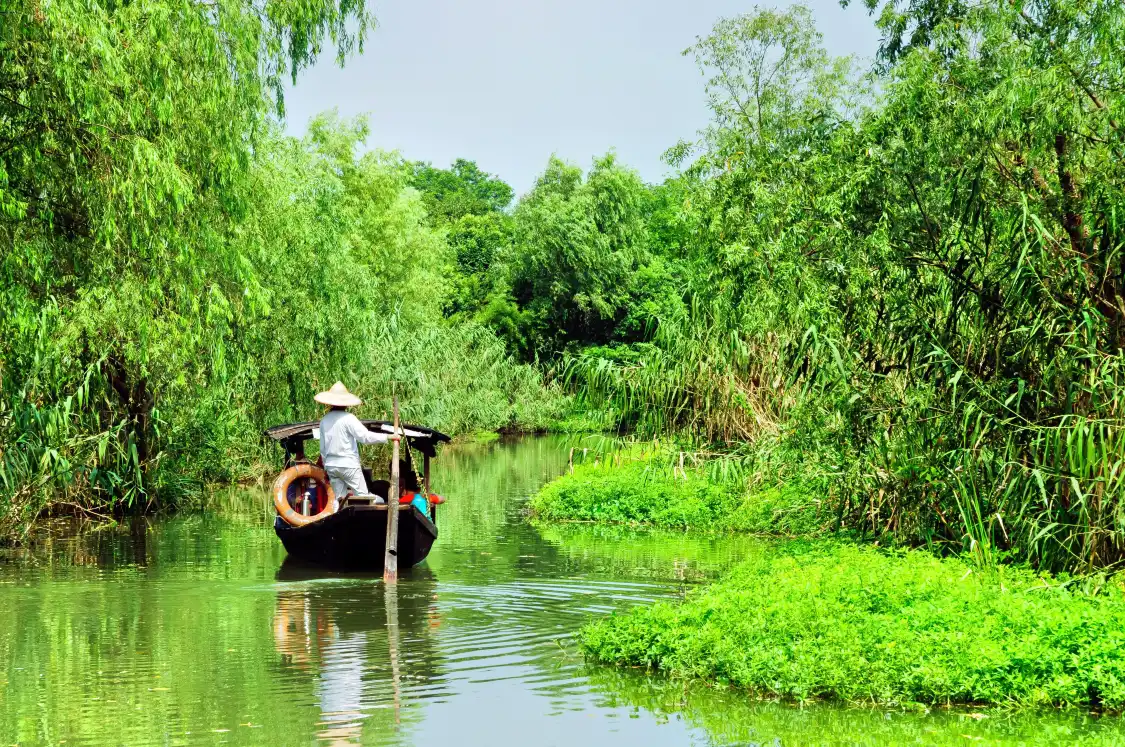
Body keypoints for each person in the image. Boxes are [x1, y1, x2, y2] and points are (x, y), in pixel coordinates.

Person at [315, 381, 391, 507]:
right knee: (363, 497)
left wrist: (326, 468)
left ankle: (339, 519)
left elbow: (323, 449)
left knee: (340, 499)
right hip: (348, 464)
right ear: (346, 403)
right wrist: (388, 437)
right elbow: (365, 437)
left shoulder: (324, 420)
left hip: (331, 465)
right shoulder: (348, 418)